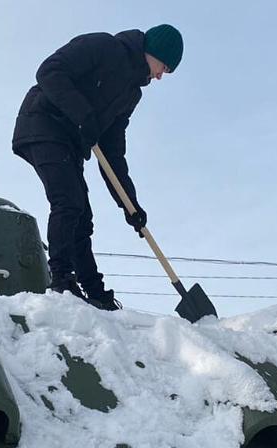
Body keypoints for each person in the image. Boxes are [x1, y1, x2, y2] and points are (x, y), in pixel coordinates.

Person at [12, 25, 183, 310]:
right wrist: (83, 114)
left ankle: (94, 290)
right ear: (153, 52)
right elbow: (49, 72)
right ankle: (61, 279)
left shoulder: (131, 94)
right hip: (42, 122)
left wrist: (130, 204)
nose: (160, 76)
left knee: (82, 216)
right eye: (163, 66)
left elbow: (113, 152)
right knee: (69, 202)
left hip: (72, 142)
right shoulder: (104, 47)